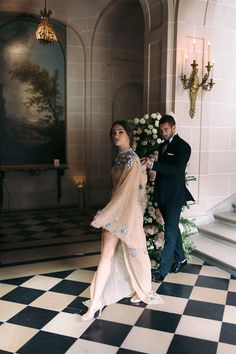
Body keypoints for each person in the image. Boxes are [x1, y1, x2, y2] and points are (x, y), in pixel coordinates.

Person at [80, 120, 163, 321]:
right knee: (106, 256)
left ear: (130, 135)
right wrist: (108, 212)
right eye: (113, 132)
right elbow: (116, 191)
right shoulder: (119, 158)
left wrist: (104, 215)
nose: (116, 135)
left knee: (138, 251)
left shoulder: (133, 161)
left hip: (127, 214)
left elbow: (126, 193)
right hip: (115, 212)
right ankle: (96, 303)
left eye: (120, 132)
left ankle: (143, 289)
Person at [141, 114, 194, 282]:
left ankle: (161, 271)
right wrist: (149, 160)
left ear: (173, 128)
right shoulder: (162, 145)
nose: (163, 133)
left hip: (174, 197)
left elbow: (176, 171)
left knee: (170, 233)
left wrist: (154, 164)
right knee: (173, 229)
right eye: (161, 130)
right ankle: (182, 259)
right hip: (162, 195)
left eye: (166, 129)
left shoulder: (184, 147)